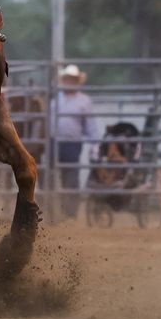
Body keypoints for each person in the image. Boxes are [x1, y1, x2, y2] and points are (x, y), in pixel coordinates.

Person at [51, 64, 100, 220]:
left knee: (70, 178)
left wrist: (96, 144)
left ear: (77, 81)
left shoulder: (84, 101)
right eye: (67, 79)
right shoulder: (55, 98)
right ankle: (51, 210)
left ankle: (70, 213)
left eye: (72, 79)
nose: (69, 81)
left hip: (72, 144)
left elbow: (90, 124)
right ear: (63, 80)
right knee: (50, 176)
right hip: (53, 142)